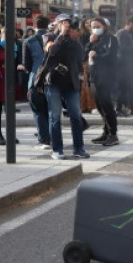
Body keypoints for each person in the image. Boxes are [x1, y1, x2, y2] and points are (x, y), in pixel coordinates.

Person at [41, 15, 88, 159]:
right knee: (55, 117)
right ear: (57, 24)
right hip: (53, 81)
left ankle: (78, 148)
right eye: (63, 23)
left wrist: (76, 39)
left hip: (71, 82)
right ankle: (57, 150)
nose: (67, 26)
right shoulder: (49, 37)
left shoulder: (73, 40)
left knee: (75, 116)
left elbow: (82, 56)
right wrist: (61, 35)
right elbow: (52, 51)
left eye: (68, 24)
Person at [86, 18, 120, 146]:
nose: (95, 28)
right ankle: (106, 132)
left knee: (107, 105)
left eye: (98, 26)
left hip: (106, 76)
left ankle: (113, 134)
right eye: (93, 26)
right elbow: (85, 55)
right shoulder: (94, 40)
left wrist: (96, 56)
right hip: (94, 76)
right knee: (100, 106)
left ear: (104, 26)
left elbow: (111, 56)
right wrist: (90, 43)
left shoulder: (111, 39)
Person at [20, 17, 50, 148]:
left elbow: (27, 65)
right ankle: (53, 137)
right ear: (48, 24)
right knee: (52, 110)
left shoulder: (28, 41)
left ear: (33, 25)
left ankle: (44, 139)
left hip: (35, 80)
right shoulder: (54, 38)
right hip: (53, 79)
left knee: (38, 111)